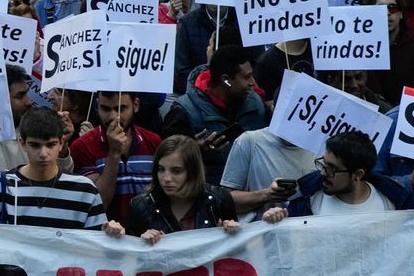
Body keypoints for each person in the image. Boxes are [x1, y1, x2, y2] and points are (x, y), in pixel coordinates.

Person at [0, 107, 118, 232]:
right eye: (35, 145)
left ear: (61, 143)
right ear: (22, 143)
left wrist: (112, 233)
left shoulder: (85, 190)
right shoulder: (2, 185)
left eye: (50, 144)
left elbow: (96, 249)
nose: (43, 154)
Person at [164, 44, 268, 184]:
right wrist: (195, 151)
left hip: (255, 194)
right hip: (207, 197)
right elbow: (167, 161)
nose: (253, 83)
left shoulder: (257, 105)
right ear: (226, 80)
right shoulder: (184, 111)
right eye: (246, 77)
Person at [0, 67, 75, 185]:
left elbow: (62, 180)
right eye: (20, 96)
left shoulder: (33, 128)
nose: (28, 101)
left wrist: (62, 148)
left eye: (26, 94)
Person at [124, 135, 240, 243]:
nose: (166, 178)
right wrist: (141, 242)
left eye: (176, 171)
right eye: (161, 169)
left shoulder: (219, 200)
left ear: (193, 171)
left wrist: (232, 232)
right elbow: (129, 258)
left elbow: (237, 254)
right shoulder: (140, 206)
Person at [273, 131, 414, 219]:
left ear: (357, 175)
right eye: (324, 164)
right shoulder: (308, 202)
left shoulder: (393, 203)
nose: (323, 172)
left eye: (332, 168)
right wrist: (276, 218)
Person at [72, 91, 162, 223]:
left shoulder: (154, 142)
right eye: (106, 109)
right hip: (106, 235)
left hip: (149, 235)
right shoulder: (83, 146)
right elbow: (97, 204)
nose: (114, 117)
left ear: (135, 105)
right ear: (97, 106)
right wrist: (114, 154)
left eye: (121, 108)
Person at [220, 125, 315, 222]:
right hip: (258, 233)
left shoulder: (321, 149)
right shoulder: (250, 141)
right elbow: (225, 202)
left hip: (303, 233)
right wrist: (267, 195)